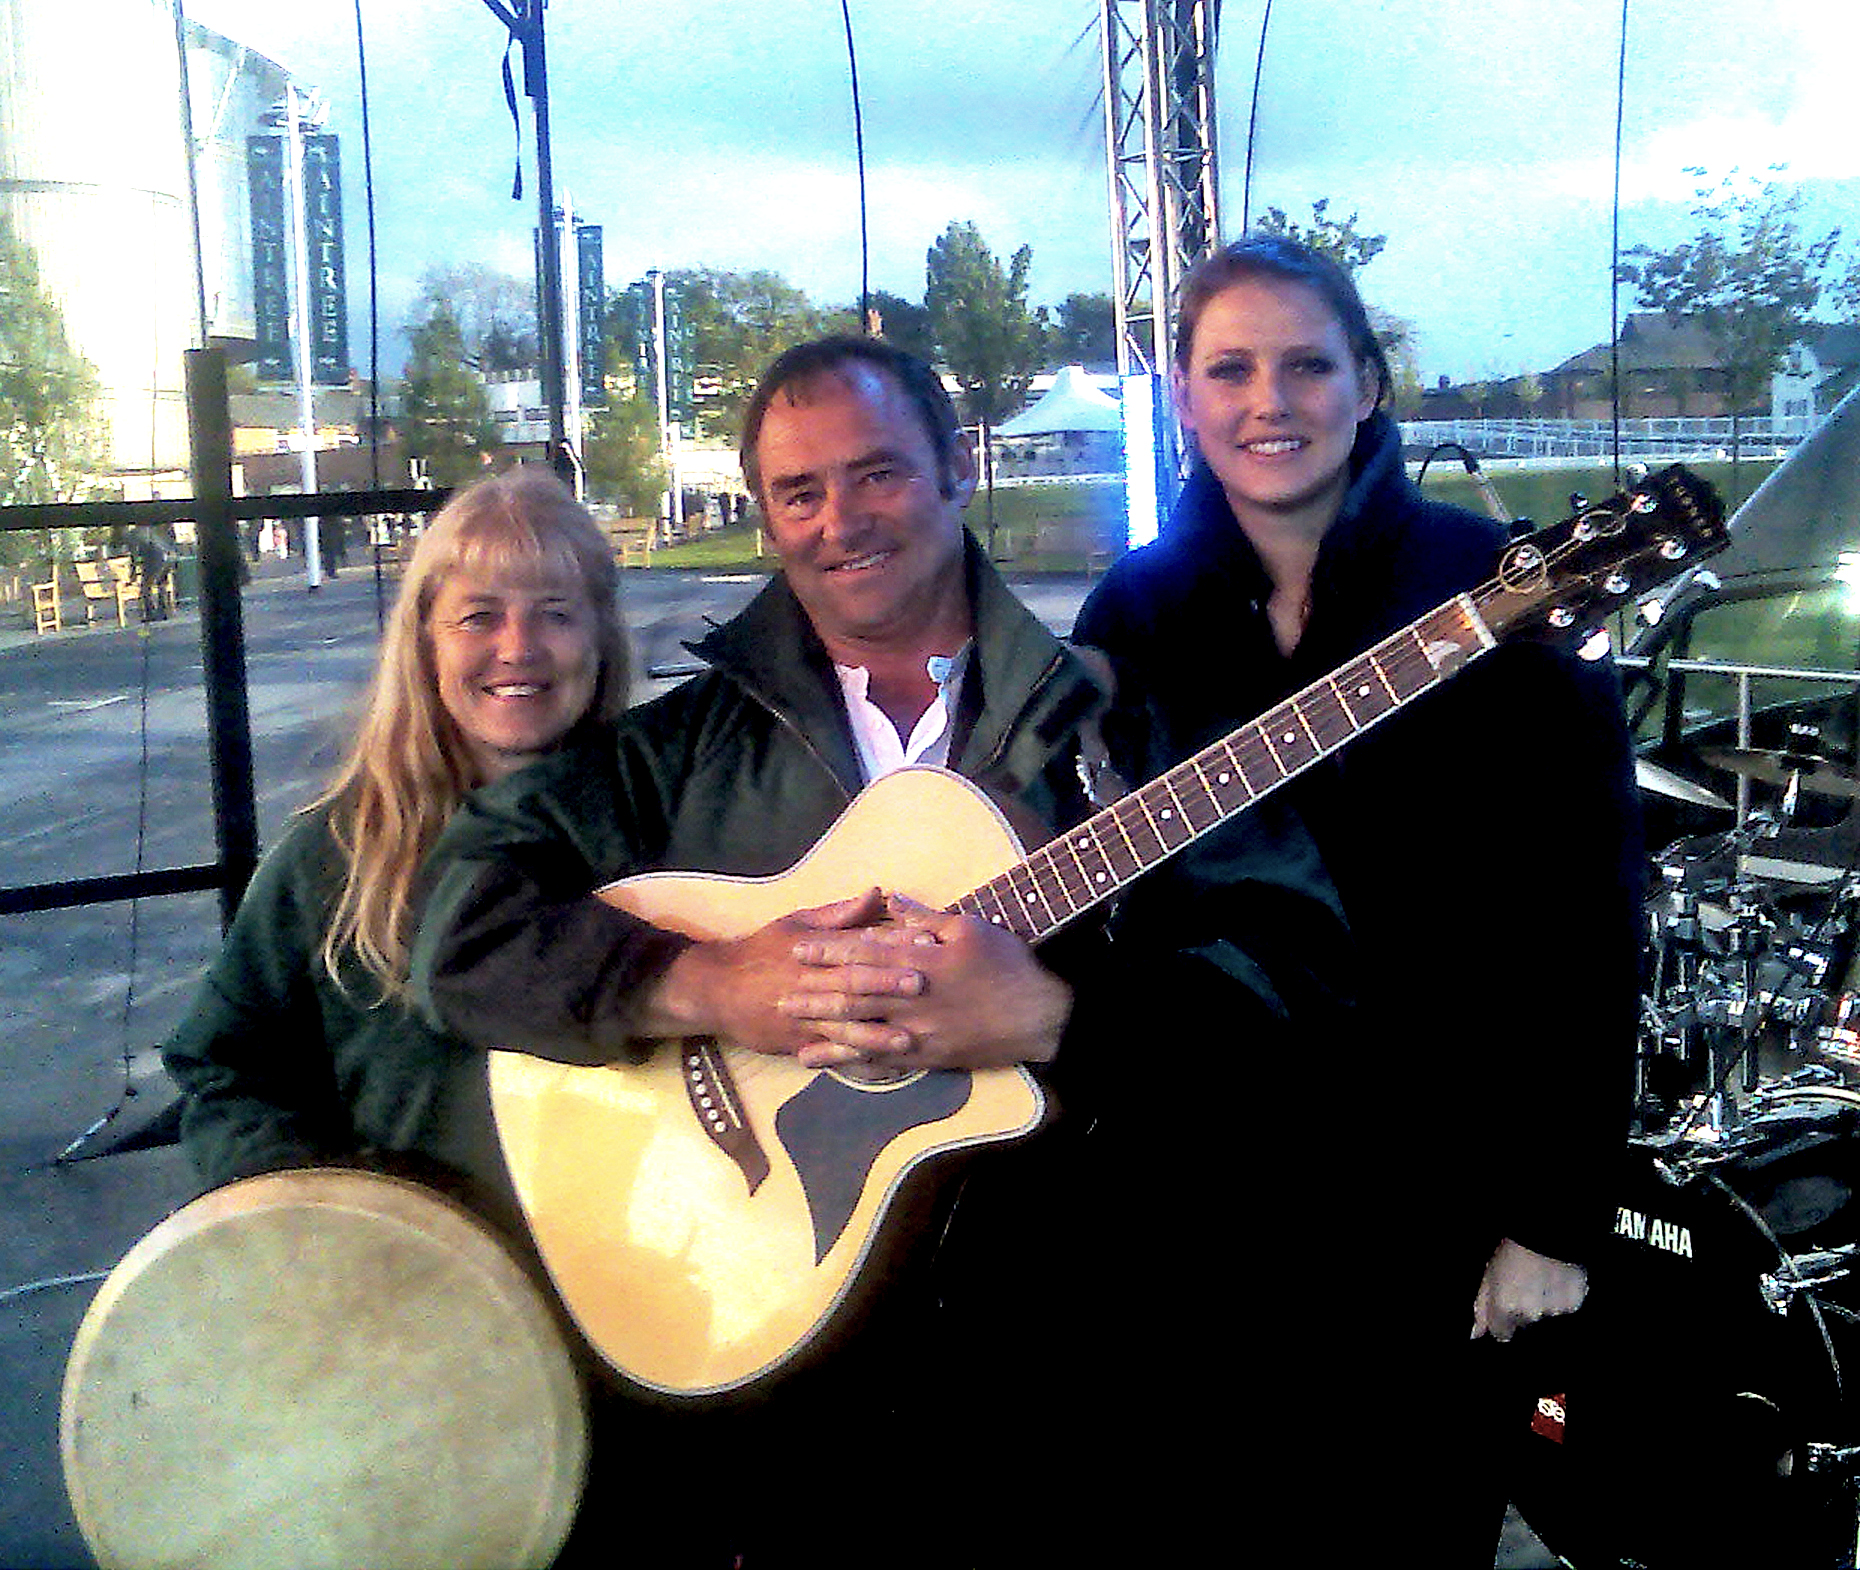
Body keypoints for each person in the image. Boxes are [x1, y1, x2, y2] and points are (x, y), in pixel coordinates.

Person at [408, 336, 1210, 1567]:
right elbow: (460, 928)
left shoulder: (1115, 727)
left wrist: (1056, 1023)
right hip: (792, 1406)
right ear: (768, 515)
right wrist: (705, 982)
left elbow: (1272, 1015)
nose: (842, 520)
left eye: (876, 472)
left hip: (1069, 1381)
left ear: (954, 467)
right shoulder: (679, 755)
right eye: (800, 492)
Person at [1068, 236, 1643, 1561]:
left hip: (1431, 1200)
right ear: (1183, 396)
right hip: (1197, 1198)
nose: (1269, 402)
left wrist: (1553, 1219)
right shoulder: (1135, 609)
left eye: (1307, 365)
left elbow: (1591, 922)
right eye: (1230, 369)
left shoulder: (1493, 587)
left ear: (1368, 384)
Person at [162, 466, 630, 1226]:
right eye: (479, 617)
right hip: (426, 1282)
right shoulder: (331, 859)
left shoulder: (673, 833)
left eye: (555, 614)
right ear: (424, 644)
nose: (518, 647)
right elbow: (224, 1071)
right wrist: (350, 1214)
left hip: (654, 1275)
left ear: (601, 639)